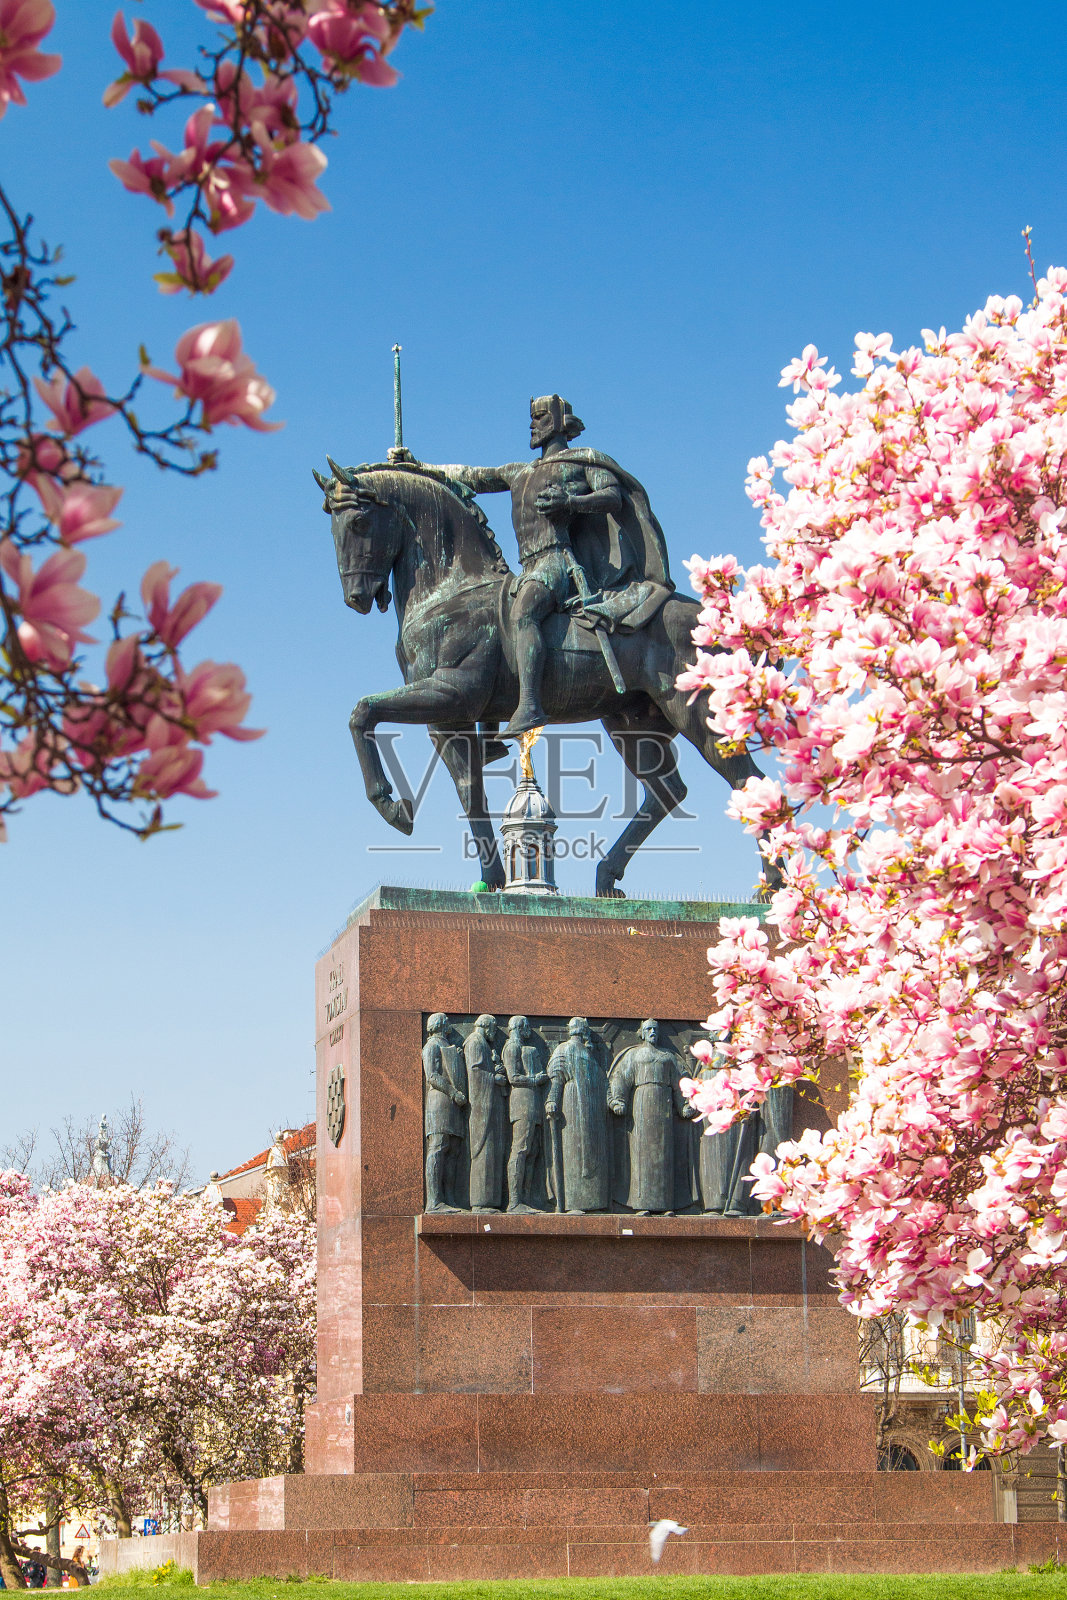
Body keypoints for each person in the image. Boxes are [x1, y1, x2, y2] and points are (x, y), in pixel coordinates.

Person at [418, 396, 673, 736]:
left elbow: (612, 496)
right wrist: (417, 467)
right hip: (527, 566)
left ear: (556, 422)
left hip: (557, 561)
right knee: (489, 622)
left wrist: (571, 502)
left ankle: (530, 706)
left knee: (524, 614)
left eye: (538, 417)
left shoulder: (584, 461)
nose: (532, 425)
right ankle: (490, 727)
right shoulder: (519, 473)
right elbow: (472, 476)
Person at [608, 1019, 695, 1214]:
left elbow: (680, 1082)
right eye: (649, 1029)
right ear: (642, 1033)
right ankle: (642, 1204)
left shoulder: (668, 1057)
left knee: (664, 1154)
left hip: (664, 1108)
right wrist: (618, 1100)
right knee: (641, 1155)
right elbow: (621, 1077)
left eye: (655, 1029)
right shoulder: (634, 1055)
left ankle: (666, 1205)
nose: (653, 1032)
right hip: (641, 1105)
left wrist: (684, 1106)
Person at [545, 1017, 610, 1212]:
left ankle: (594, 1202)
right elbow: (557, 1078)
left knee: (592, 1153)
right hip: (572, 1105)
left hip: (593, 1110)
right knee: (575, 1152)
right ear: (582, 1032)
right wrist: (552, 1100)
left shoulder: (589, 1055)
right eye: (586, 1031)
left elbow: (603, 1082)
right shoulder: (564, 1049)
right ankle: (574, 1202)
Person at [422, 1013, 467, 1211]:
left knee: (454, 1149)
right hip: (440, 1101)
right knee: (439, 1147)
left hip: (453, 1104)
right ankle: (434, 1201)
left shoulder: (446, 1046)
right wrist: (453, 1092)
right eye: (447, 1022)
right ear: (441, 1025)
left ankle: (449, 1198)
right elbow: (432, 1076)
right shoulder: (431, 1045)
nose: (450, 1024)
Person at [502, 1015, 548, 1212]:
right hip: (522, 1102)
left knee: (533, 1150)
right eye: (526, 1027)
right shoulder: (512, 1047)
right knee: (520, 1149)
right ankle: (515, 1201)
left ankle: (526, 1199)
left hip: (533, 1102)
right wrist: (535, 1079)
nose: (529, 1030)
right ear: (519, 1028)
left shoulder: (526, 1048)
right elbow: (513, 1077)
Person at [464, 1014, 508, 1211]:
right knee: (484, 1150)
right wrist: (495, 1078)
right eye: (493, 1027)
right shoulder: (475, 1042)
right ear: (486, 1026)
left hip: (490, 1104)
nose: (495, 1032)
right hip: (482, 1107)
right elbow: (475, 1074)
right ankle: (482, 1202)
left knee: (492, 1150)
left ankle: (490, 1200)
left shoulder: (482, 1044)